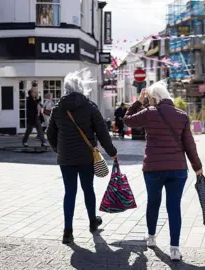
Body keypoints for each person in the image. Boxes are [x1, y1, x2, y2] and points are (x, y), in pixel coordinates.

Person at [123, 81, 202, 261]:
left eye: (149, 99)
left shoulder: (150, 113)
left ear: (154, 98)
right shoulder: (181, 115)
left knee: (153, 202)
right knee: (174, 207)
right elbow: (190, 144)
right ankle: (174, 249)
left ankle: (151, 237)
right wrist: (197, 167)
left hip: (153, 168)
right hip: (177, 169)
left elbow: (127, 120)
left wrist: (137, 101)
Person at [47, 69, 118, 245]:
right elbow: (102, 132)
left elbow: (50, 134)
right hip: (86, 158)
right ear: (80, 87)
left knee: (69, 192)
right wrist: (112, 152)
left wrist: (58, 149)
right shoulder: (90, 107)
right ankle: (93, 223)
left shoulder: (58, 109)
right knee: (88, 189)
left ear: (65, 88)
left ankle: (67, 232)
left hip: (66, 159)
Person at [22, 81, 48, 147]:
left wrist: (38, 97)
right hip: (31, 118)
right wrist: (37, 99)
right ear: (31, 93)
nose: (36, 93)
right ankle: (24, 141)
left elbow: (38, 101)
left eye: (36, 92)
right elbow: (34, 104)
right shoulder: (29, 99)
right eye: (34, 92)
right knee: (29, 131)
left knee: (40, 131)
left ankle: (43, 142)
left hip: (37, 117)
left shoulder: (35, 99)